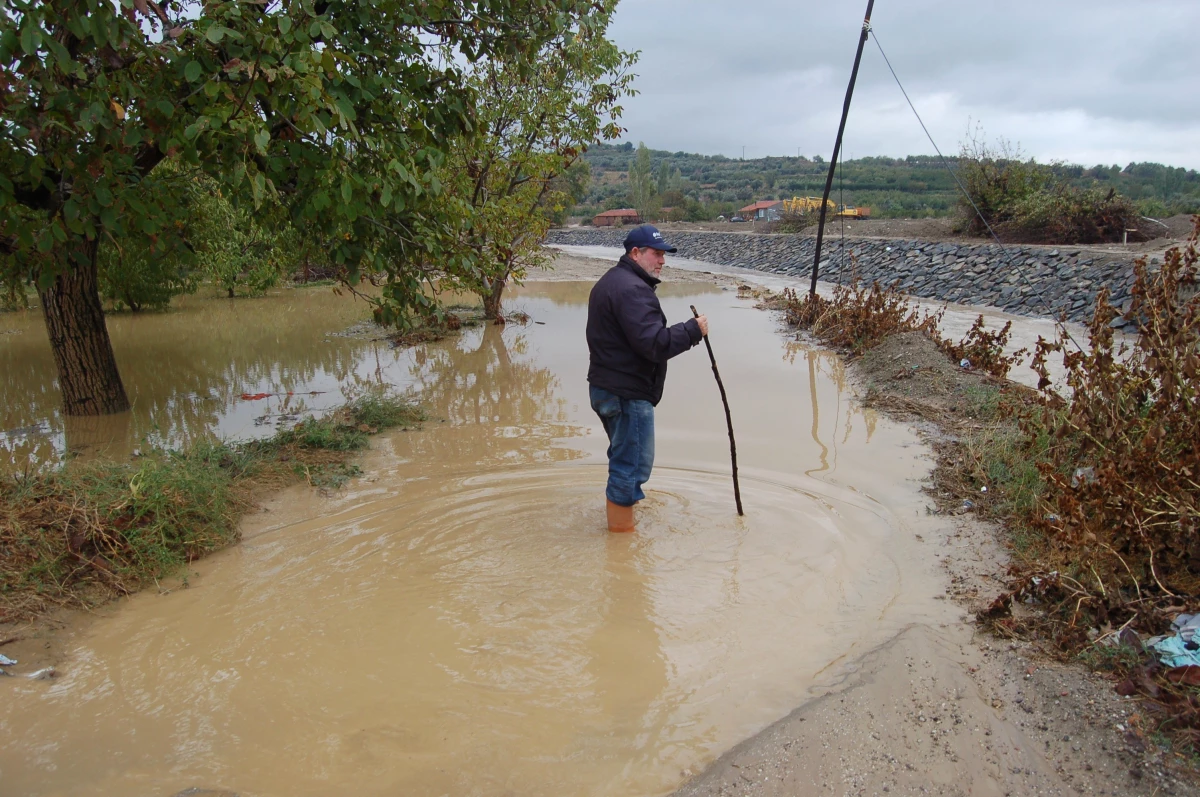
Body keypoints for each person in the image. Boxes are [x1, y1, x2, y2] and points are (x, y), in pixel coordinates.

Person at [586, 224, 709, 532]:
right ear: (635, 253)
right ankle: (621, 547)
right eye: (656, 254)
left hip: (607, 390)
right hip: (626, 394)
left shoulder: (612, 282)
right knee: (631, 468)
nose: (662, 261)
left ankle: (623, 525)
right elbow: (654, 344)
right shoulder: (632, 290)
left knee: (625, 460)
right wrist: (693, 330)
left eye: (664, 255)